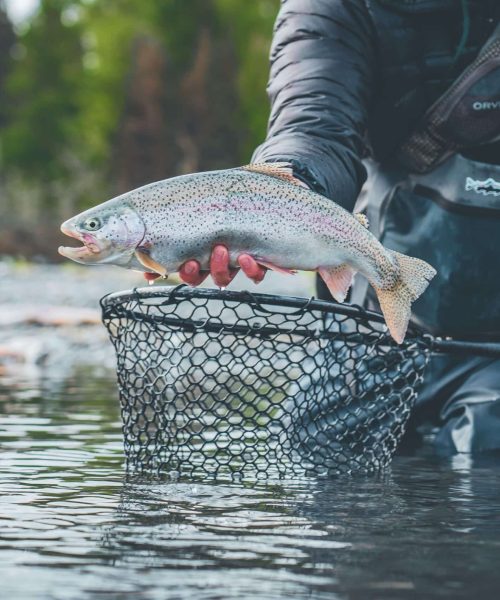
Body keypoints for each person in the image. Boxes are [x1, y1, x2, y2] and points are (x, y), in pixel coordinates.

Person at [179, 0, 500, 455]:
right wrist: (287, 186)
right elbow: (313, 127)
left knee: (484, 452)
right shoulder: (329, 8)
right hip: (374, 321)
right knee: (322, 458)